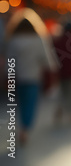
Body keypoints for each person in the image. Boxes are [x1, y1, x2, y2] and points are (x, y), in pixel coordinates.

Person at [5, 9, 58, 145]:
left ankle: (22, 126)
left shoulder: (13, 40)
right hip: (33, 77)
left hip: (18, 76)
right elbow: (47, 60)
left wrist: (8, 75)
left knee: (21, 103)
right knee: (30, 103)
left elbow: (9, 60)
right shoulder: (38, 39)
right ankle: (25, 128)